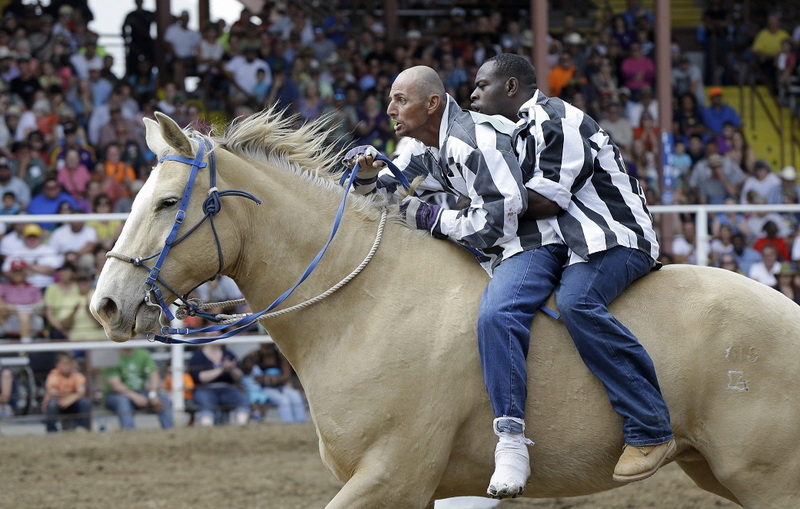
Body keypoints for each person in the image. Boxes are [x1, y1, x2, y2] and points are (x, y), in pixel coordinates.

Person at [348, 65, 565, 498]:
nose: (389, 109)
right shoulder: (414, 145)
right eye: (390, 100)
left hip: (531, 245)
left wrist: (430, 217)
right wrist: (366, 174)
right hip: (486, 248)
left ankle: (510, 441)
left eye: (399, 100)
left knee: (496, 316)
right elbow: (381, 198)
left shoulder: (476, 139)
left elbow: (499, 221)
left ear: (431, 104)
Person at [470, 53, 675, 485]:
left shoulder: (555, 118)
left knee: (577, 301)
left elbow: (546, 200)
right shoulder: (520, 132)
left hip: (614, 238)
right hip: (575, 246)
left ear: (511, 87)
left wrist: (478, 213)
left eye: (482, 84)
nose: (472, 93)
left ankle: (651, 427)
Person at [103, 348, 173, 430]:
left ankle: (170, 432)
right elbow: (115, 385)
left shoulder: (142, 353)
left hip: (140, 392)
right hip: (115, 395)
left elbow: (154, 374)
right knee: (122, 401)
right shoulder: (110, 356)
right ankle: (129, 433)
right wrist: (135, 397)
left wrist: (153, 395)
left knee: (162, 398)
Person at [188, 343, 249, 427]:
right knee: (206, 408)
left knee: (242, 401)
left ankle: (242, 427)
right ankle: (207, 429)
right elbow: (200, 378)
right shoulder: (197, 355)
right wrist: (222, 369)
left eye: (217, 332)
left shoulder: (228, 353)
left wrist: (232, 368)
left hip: (228, 388)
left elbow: (239, 376)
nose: (214, 334)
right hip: (205, 389)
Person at [244, 342, 307, 423]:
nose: (267, 351)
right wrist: (264, 378)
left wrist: (276, 379)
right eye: (264, 348)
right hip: (266, 389)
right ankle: (288, 423)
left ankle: (301, 421)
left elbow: (287, 375)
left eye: (269, 348)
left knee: (296, 396)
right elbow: (247, 368)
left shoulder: (280, 356)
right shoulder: (256, 355)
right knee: (284, 400)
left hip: (281, 386)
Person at [42, 351, 91, 432]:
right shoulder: (53, 375)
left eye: (69, 363)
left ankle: (83, 428)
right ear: (58, 365)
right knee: (52, 404)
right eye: (65, 363)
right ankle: (52, 431)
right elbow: (52, 392)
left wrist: (69, 399)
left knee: (85, 402)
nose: (67, 366)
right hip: (59, 403)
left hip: (72, 404)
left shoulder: (77, 375)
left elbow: (81, 391)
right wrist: (70, 396)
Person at [0, 259, 44, 342]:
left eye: (20, 271)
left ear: (25, 272)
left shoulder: (33, 288)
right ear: (11, 273)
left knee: (24, 315)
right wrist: (20, 308)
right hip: (8, 316)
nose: (17, 274)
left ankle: (25, 347)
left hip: (31, 316)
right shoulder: (4, 287)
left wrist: (19, 309)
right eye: (15, 271)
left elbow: (40, 306)